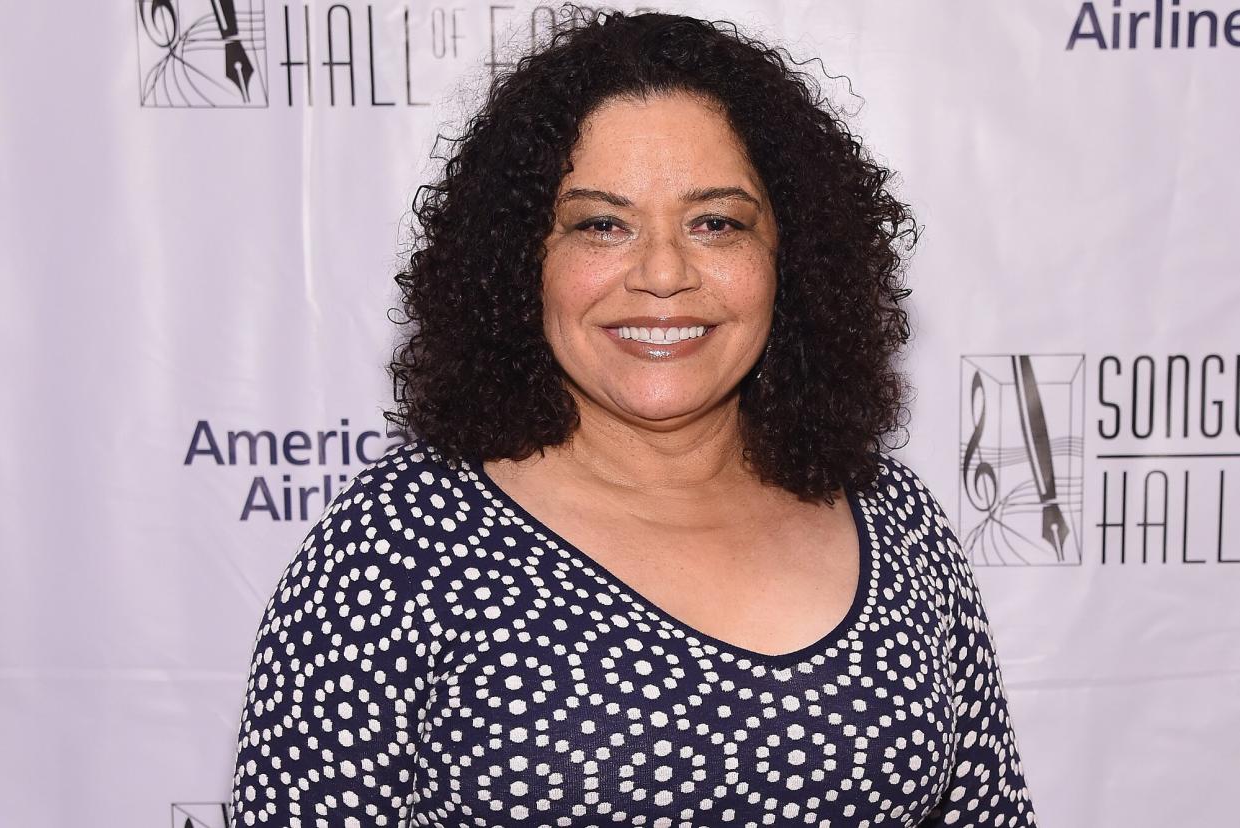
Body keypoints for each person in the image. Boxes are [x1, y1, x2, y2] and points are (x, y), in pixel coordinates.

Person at [229, 6, 1038, 826]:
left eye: (715, 223)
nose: (660, 273)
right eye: (601, 225)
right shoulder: (399, 544)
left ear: (788, 259)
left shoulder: (891, 518)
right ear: (522, 261)